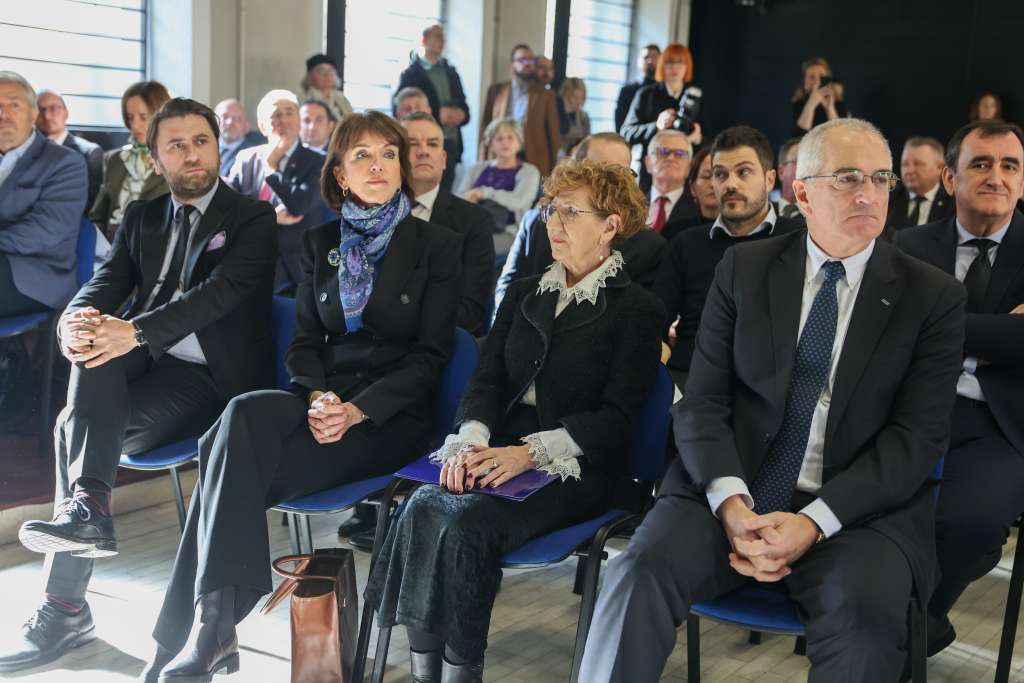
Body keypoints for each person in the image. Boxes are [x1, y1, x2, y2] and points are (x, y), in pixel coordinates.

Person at [580, 118, 968, 682]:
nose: (868, 193)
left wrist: (812, 522)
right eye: (848, 178)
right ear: (802, 193)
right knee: (635, 573)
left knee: (864, 627)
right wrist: (732, 505)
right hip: (731, 493)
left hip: (855, 513)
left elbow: (916, 439)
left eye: (880, 178)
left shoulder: (932, 296)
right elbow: (703, 402)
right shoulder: (745, 269)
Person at [136, 110, 461, 681]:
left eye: (388, 154)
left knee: (222, 470)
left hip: (388, 418)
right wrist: (316, 397)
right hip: (321, 399)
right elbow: (306, 342)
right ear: (339, 174)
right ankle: (209, 632)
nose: (378, 166)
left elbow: (431, 358)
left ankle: (197, 636)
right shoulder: (319, 243)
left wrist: (356, 410)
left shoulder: (437, 245)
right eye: (361, 155)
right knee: (240, 415)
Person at [0, 98, 277, 674]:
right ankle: (89, 510)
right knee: (89, 344)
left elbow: (220, 294)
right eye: (176, 145)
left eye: (201, 141)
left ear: (216, 147)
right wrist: (73, 322)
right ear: (156, 160)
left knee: (70, 426)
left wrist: (135, 331)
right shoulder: (143, 216)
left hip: (212, 378)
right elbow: (106, 281)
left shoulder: (252, 219)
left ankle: (65, 603)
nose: (191, 154)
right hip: (144, 363)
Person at [365, 157, 664, 683]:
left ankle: (460, 673)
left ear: (610, 225)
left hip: (577, 467)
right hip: (496, 449)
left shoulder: (637, 309)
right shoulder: (526, 291)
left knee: (466, 525)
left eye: (570, 212)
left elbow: (615, 421)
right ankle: (424, 673)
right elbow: (485, 382)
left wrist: (528, 454)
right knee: (420, 507)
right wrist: (470, 441)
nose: (554, 223)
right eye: (551, 210)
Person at [339, 111, 498, 547]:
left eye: (434, 144)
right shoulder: (368, 215)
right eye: (413, 144)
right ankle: (367, 498)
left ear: (445, 159)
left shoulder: (471, 221)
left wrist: (415, 333)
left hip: (443, 345)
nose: (424, 152)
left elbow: (472, 306)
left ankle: (400, 505)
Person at [896, 119, 1024, 659]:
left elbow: (920, 328)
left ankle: (914, 624)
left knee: (971, 523)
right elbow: (894, 331)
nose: (996, 177)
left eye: (1010, 165)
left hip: (1004, 424)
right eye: (981, 164)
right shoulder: (908, 244)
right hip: (910, 412)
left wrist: (936, 325)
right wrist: (1001, 333)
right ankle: (902, 628)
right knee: (870, 507)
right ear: (949, 179)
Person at [654, 126, 803, 390]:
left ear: (770, 179)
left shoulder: (799, 240)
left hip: (774, 385)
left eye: (743, 172)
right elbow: (654, 321)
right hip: (690, 378)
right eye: (720, 174)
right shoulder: (686, 244)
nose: (730, 184)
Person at [495, 133, 667, 306]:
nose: (614, 182)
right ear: (576, 171)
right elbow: (507, 288)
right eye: (601, 171)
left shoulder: (649, 246)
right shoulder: (537, 222)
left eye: (622, 172)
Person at [0, 72, 87, 318]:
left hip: (35, 273)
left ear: (33, 114)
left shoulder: (65, 162)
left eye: (14, 105)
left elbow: (46, 230)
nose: (3, 115)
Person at [227, 89, 327, 295]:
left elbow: (299, 205)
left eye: (290, 112)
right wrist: (269, 217)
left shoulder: (319, 162)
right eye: (276, 115)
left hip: (292, 266)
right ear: (262, 126)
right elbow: (228, 210)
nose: (284, 120)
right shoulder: (246, 158)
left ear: (299, 121)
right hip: (245, 258)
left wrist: (272, 167)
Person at [90, 81, 171, 242]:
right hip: (111, 242)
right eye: (130, 117)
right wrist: (99, 245)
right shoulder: (115, 159)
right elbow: (98, 216)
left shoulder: (176, 161)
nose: (135, 125)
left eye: (143, 117)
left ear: (162, 116)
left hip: (152, 244)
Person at [394, 24, 471, 191]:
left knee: (444, 195)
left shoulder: (451, 72)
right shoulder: (410, 74)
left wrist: (462, 114)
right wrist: (437, 115)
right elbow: (400, 109)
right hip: (420, 142)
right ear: (424, 41)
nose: (442, 42)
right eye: (437, 37)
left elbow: (465, 107)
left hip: (450, 141)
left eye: (443, 38)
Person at [620, 43, 703, 193]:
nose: (675, 68)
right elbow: (626, 132)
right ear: (662, 65)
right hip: (652, 174)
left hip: (686, 174)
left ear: (687, 66)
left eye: (680, 62)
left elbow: (711, 137)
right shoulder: (645, 94)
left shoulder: (696, 96)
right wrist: (656, 126)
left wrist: (697, 139)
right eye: (669, 62)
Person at [481, 44, 560, 176]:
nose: (527, 64)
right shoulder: (496, 91)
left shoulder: (546, 95)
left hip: (533, 158)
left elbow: (553, 134)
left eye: (531, 60)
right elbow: (486, 127)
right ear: (513, 64)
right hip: (500, 156)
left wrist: (554, 169)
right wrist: (482, 158)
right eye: (522, 60)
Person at [456, 118, 541, 228]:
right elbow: (458, 197)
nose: (505, 142)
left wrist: (483, 192)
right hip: (470, 224)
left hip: (507, 230)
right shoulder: (476, 168)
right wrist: (469, 198)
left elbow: (519, 201)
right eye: (499, 139)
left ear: (519, 142)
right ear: (491, 143)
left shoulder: (530, 172)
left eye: (510, 137)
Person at [35, 90, 103, 211]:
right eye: (41, 110)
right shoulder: (21, 150)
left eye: (53, 109)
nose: (47, 116)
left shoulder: (89, 153)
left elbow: (91, 202)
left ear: (66, 114)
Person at [886, 136, 953, 233]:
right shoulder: (889, 199)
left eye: (918, 164)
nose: (909, 171)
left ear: (940, 167)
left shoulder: (954, 203)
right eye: (905, 164)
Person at [644, 129, 699, 242]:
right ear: (648, 162)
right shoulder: (630, 205)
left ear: (689, 166)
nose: (671, 158)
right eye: (663, 151)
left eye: (680, 154)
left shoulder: (699, 210)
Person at [792, 57, 846, 135]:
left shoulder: (837, 102)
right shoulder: (798, 103)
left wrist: (829, 108)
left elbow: (841, 133)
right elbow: (800, 134)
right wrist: (811, 103)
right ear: (805, 81)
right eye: (811, 77)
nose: (817, 81)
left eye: (821, 76)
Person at [214, 98, 266, 177]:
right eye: (225, 116)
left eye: (237, 119)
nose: (230, 122)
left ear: (247, 126)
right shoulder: (203, 147)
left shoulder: (256, 155)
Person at [615, 44, 660, 134]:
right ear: (639, 61)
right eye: (646, 57)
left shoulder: (665, 91)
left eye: (654, 57)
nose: (650, 61)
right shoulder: (627, 91)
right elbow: (620, 125)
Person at [302, 53, 353, 122]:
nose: (327, 75)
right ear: (310, 76)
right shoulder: (304, 99)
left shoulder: (342, 98)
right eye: (321, 71)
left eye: (331, 71)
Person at [558, 77, 590, 157]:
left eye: (581, 98)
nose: (578, 101)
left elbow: (587, 141)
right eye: (575, 97)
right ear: (566, 95)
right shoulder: (556, 115)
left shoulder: (584, 117)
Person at [776, 137, 802, 219]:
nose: (806, 167)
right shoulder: (761, 214)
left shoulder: (820, 217)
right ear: (781, 172)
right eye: (799, 161)